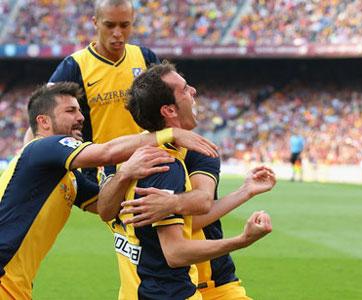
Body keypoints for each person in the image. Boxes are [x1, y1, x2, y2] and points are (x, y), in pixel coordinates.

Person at [0, 82, 218, 300]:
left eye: (79, 110)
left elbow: (108, 207)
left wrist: (137, 183)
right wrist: (169, 134)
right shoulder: (42, 147)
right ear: (43, 121)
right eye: (70, 111)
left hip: (17, 286)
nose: (81, 117)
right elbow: (106, 152)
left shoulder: (68, 176)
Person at [97, 62, 274, 299]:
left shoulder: (196, 151)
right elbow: (106, 210)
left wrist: (245, 191)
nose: (193, 91)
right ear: (168, 111)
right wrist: (243, 239)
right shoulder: (154, 162)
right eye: (184, 89)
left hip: (207, 279)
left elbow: (201, 205)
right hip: (175, 284)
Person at [23, 0, 160, 181]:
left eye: (124, 25)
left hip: (146, 159)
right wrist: (27, 158)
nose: (117, 33)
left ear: (132, 21)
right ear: (95, 22)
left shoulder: (145, 58)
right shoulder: (74, 66)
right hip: (101, 171)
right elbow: (42, 112)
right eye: (109, 25)